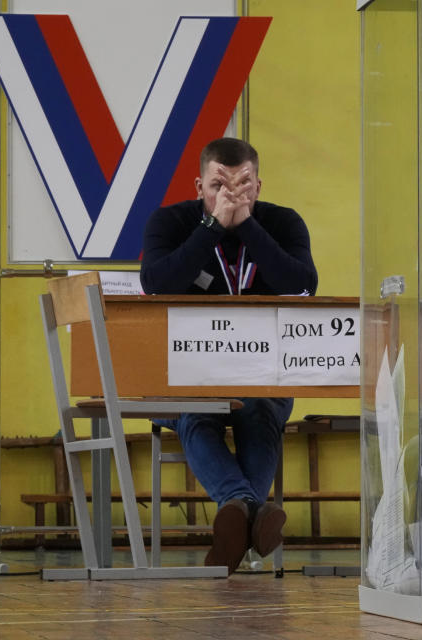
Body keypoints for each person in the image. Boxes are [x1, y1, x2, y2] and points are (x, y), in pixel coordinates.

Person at [140, 137, 318, 574]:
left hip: (263, 375)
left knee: (260, 410)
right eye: (220, 184)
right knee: (195, 415)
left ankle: (236, 514)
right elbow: (156, 283)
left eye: (243, 185)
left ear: (259, 185)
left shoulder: (283, 222)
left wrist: (248, 226)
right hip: (185, 374)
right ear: (199, 184)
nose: (232, 194)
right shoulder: (171, 221)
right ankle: (253, 513)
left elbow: (302, 285)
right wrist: (214, 227)